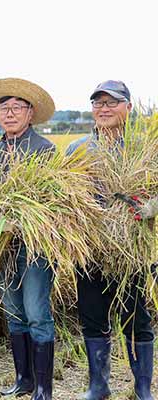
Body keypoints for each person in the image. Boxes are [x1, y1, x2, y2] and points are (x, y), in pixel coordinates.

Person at [66, 80, 154, 400]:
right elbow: (66, 195)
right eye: (98, 103)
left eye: (112, 102)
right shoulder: (77, 149)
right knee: (92, 317)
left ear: (128, 108)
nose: (103, 108)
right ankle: (98, 385)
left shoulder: (143, 147)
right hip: (90, 248)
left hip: (130, 248)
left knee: (136, 318)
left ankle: (142, 387)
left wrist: (149, 208)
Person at [0, 78, 56, 399]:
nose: (9, 114)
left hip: (35, 244)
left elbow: (51, 200)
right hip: (3, 245)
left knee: (37, 313)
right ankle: (23, 380)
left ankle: (43, 388)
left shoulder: (44, 149)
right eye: (4, 109)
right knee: (14, 311)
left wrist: (19, 220)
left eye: (16, 108)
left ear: (30, 113)